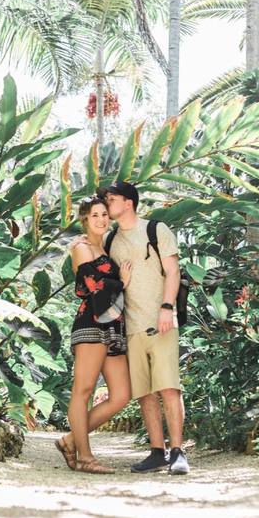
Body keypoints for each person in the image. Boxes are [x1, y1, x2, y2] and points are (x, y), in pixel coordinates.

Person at [103, 181, 190, 475]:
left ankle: (177, 452)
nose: (107, 204)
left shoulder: (156, 230)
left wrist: (167, 307)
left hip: (160, 322)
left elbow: (173, 271)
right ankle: (156, 452)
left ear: (128, 203)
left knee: (168, 387)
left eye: (112, 199)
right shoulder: (110, 240)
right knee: (144, 393)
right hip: (130, 327)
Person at [55, 195, 132, 474]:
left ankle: (70, 441)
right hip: (91, 324)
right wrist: (121, 282)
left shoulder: (106, 248)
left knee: (121, 395)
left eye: (104, 215)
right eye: (95, 215)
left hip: (112, 326)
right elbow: (92, 285)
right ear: (85, 219)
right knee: (83, 390)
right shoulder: (81, 247)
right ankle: (85, 458)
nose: (101, 219)